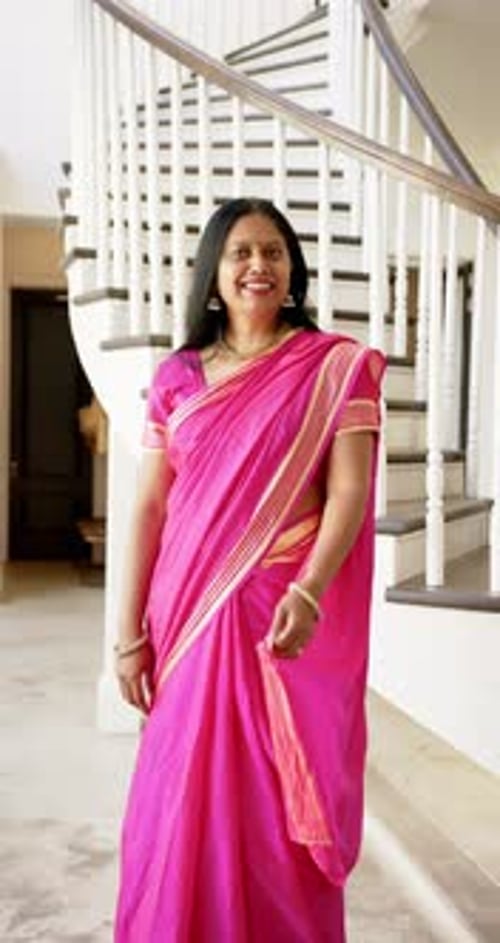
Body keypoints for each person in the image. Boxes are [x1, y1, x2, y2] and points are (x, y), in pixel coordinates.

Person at [114, 197, 385, 942]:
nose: (258, 266)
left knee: (268, 805)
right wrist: (126, 633)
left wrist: (310, 588)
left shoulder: (334, 366)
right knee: (178, 796)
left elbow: (349, 489)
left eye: (272, 251)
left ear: (292, 268)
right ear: (214, 272)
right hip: (187, 614)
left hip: (274, 615)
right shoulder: (176, 375)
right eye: (239, 252)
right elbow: (147, 507)